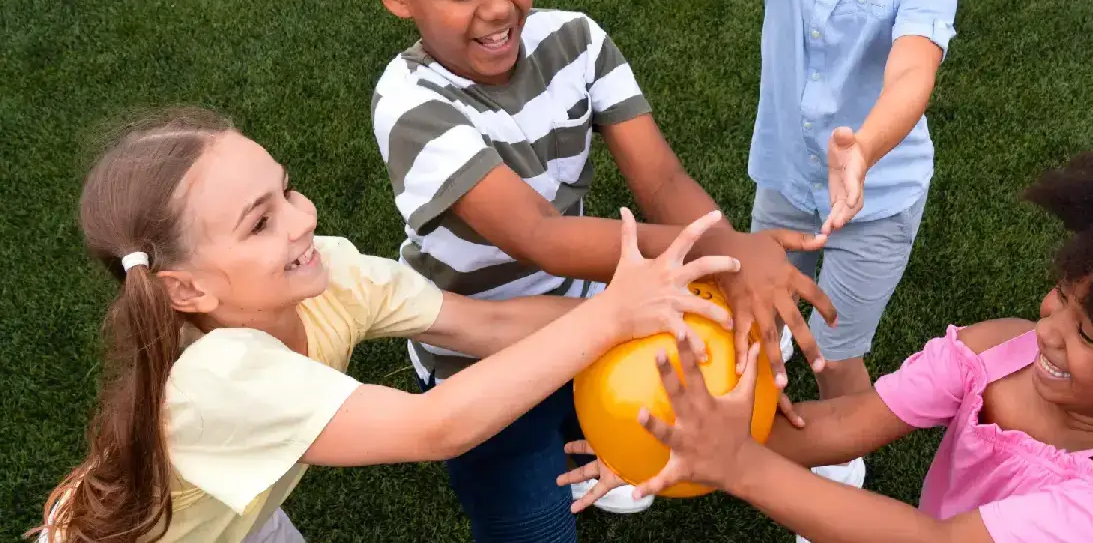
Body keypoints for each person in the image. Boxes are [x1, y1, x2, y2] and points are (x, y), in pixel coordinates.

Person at [564, 117, 1093, 543]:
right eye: (1062, 296)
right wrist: (676, 439)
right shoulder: (998, 350)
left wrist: (738, 464)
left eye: (1088, 336)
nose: (1049, 327)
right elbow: (847, 422)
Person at [360, 0, 835, 535]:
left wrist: (725, 257)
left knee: (650, 437)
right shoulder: (409, 105)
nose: (498, 8)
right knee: (535, 525)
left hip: (602, 323)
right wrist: (726, 255)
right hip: (482, 362)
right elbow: (540, 237)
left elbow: (663, 178)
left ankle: (601, 437)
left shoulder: (577, 41)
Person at [33, 107, 739, 542]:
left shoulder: (331, 272)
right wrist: (613, 313)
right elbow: (436, 427)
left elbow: (486, 327)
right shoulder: (218, 380)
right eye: (261, 222)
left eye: (286, 190)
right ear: (182, 287)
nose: (304, 218)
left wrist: (643, 316)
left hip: (239, 521)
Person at [600, 0, 964, 491]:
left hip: (876, 202)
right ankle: (746, 404)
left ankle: (840, 467)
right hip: (786, 184)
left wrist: (862, 148)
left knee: (836, 350)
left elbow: (911, 74)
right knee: (755, 301)